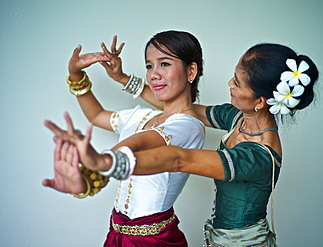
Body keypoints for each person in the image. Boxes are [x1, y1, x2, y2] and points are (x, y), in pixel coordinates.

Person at [45, 43, 319, 247]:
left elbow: (180, 159)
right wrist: (122, 79)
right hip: (216, 238)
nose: (229, 84)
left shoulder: (258, 156)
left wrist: (106, 163)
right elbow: (185, 108)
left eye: (237, 82)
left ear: (260, 101)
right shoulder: (238, 117)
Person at [43, 31, 206, 247]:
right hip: (117, 233)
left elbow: (140, 143)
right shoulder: (142, 115)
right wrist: (75, 75)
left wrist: (94, 168)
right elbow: (97, 115)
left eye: (164, 64)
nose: (154, 74)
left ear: (191, 71)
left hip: (154, 242)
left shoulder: (189, 126)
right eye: (149, 66)